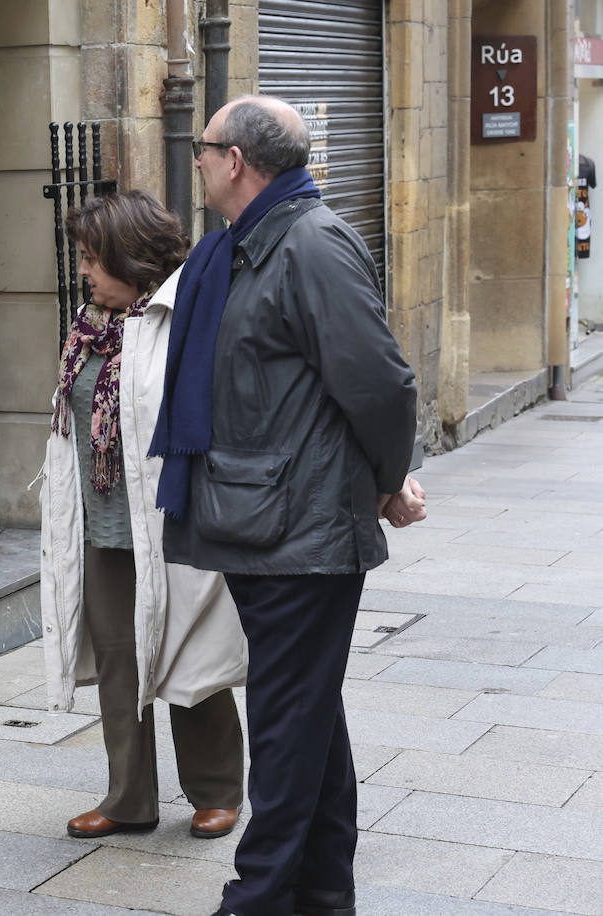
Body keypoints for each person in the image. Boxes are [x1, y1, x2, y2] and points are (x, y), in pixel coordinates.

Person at [149, 96, 427, 916]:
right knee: (308, 712)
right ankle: (322, 891)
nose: (196, 159)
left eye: (204, 147)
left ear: (236, 160)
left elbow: (380, 383)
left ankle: (258, 896)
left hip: (301, 529)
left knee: (285, 716)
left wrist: (388, 480)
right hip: (260, 517)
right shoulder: (240, 247)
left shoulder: (311, 244)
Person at [39, 190, 248, 846]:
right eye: (82, 258)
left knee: (189, 649)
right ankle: (128, 798)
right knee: (117, 661)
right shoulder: (87, 327)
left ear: (133, 259)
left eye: (93, 258)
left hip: (169, 520)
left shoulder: (182, 319)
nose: (84, 271)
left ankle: (217, 791)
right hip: (103, 525)